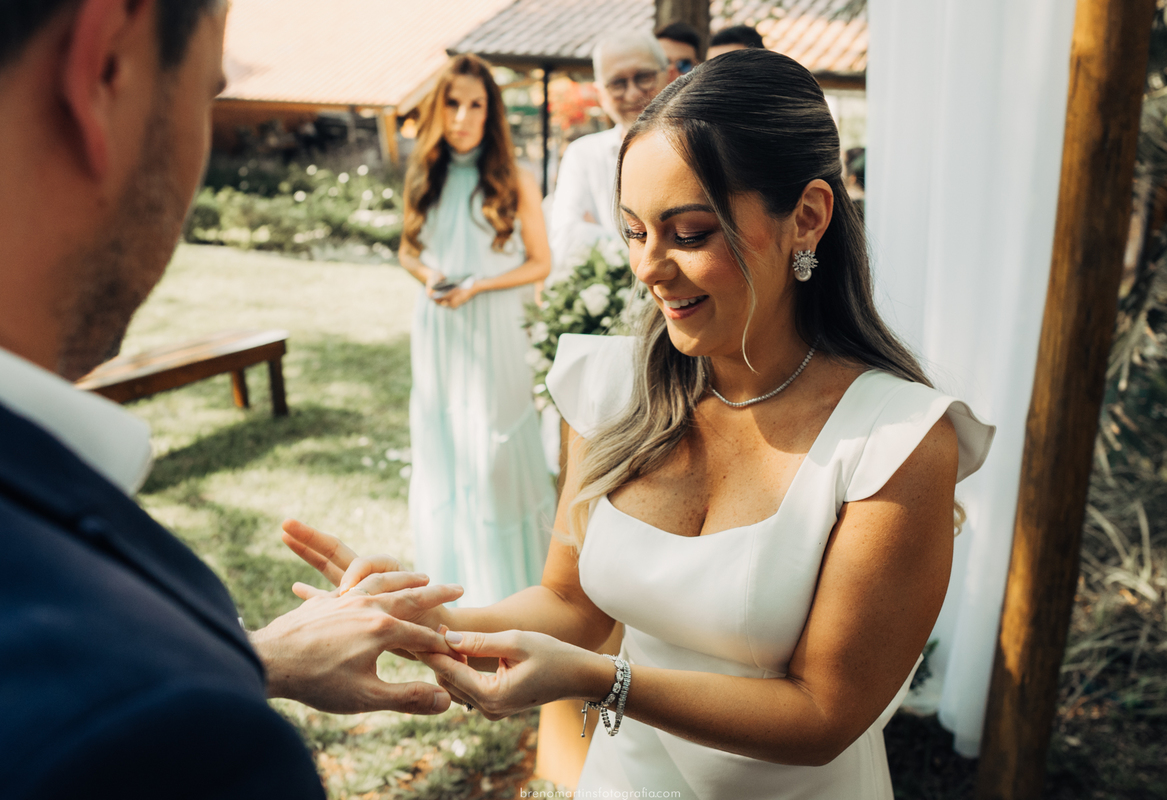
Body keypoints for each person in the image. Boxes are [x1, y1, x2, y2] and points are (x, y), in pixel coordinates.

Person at [288, 50, 996, 799]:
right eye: (633, 231)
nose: (649, 267)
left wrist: (607, 683)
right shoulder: (606, 391)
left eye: (689, 232)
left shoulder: (895, 443)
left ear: (808, 218)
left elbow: (824, 714)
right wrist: (429, 623)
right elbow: (571, 606)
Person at [0, 2, 462, 797]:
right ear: (106, 66)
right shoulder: (170, 737)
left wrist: (249, 657)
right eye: (207, 96)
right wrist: (196, 678)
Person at [399, 54, 557, 608]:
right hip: (439, 330)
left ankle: (514, 602)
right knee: (444, 453)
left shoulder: (516, 180)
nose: (462, 116)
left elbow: (541, 262)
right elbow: (407, 251)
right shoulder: (425, 173)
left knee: (493, 459)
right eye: (453, 103)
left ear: (490, 113)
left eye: (475, 105)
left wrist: (479, 286)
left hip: (495, 332)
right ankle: (453, 602)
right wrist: (429, 276)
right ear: (437, 108)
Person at [548, 31, 671, 271]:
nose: (633, 93)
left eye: (643, 77)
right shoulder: (582, 154)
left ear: (668, 75)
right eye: (617, 83)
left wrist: (599, 236)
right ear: (600, 94)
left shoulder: (695, 148)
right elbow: (564, 242)